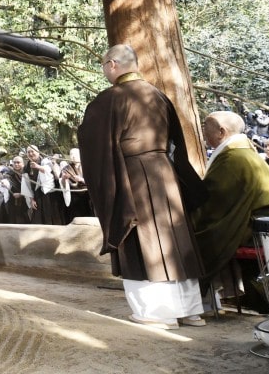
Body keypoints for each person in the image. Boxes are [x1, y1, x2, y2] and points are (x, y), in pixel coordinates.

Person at [77, 43, 206, 329]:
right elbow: (177, 144)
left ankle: (157, 313)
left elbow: (93, 144)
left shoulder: (109, 99)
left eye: (103, 66)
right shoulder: (158, 95)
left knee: (140, 237)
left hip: (133, 175)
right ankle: (190, 310)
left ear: (112, 64)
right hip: (165, 174)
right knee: (175, 238)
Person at [191, 111, 269, 286]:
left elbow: (214, 203)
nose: (203, 132)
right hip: (259, 222)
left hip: (252, 228)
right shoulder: (242, 152)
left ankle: (191, 298)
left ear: (221, 132)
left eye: (205, 127)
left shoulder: (234, 158)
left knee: (186, 240)